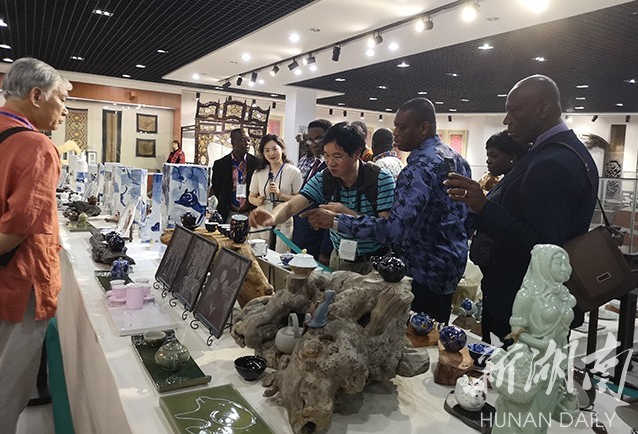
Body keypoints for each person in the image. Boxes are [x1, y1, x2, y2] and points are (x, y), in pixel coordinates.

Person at [444, 75, 598, 343]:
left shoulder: (552, 162)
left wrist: (484, 207)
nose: (507, 120)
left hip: (523, 308)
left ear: (543, 109)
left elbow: (543, 246)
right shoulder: (563, 152)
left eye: (514, 111)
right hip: (526, 302)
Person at [303, 98, 472, 323]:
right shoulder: (457, 159)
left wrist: (338, 221)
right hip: (450, 265)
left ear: (424, 128)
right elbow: (467, 216)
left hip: (422, 270)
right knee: (434, 331)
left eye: (402, 127)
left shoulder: (419, 168)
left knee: (413, 334)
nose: (395, 133)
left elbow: (395, 229)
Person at [0, 57, 71, 434]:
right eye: (62, 99)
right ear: (36, 95)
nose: (65, 110)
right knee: (8, 386)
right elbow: (18, 229)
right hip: (19, 283)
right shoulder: (36, 145)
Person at [250, 122, 395, 274]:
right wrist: (272, 217)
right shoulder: (325, 178)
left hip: (374, 263)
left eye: (338, 156)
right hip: (339, 259)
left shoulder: (379, 179)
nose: (331, 163)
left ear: (357, 154)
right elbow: (291, 206)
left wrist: (342, 217)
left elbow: (386, 230)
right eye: (326, 155)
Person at [469, 131, 529, 268]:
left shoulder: (516, 184)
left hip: (500, 263)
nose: (488, 160)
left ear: (512, 157)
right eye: (488, 155)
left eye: (494, 155)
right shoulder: (505, 180)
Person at [249, 134, 302, 252]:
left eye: (274, 149)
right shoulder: (259, 172)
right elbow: (251, 197)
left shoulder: (293, 172)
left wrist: (281, 195)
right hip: (262, 215)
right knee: (257, 252)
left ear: (281, 149)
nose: (271, 153)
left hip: (283, 217)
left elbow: (300, 199)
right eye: (267, 150)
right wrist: (257, 201)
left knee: (280, 254)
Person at [292, 119, 333, 265]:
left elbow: (331, 210)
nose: (314, 144)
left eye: (318, 139)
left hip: (317, 241)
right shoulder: (313, 164)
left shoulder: (331, 170)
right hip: (301, 236)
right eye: (310, 140)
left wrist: (325, 250)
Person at [211, 128, 259, 222]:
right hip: (229, 212)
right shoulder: (220, 164)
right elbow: (217, 188)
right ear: (233, 142)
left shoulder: (256, 163)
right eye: (242, 140)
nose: (247, 143)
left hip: (251, 212)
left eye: (248, 140)